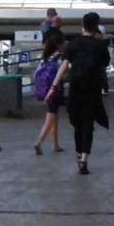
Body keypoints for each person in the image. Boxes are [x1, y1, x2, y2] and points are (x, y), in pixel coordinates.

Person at [62, 10, 111, 175]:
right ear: (96, 26)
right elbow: (105, 63)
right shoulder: (100, 45)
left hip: (76, 88)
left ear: (82, 25)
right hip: (93, 88)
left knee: (76, 123)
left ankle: (78, 153)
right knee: (88, 124)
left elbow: (64, 64)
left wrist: (54, 85)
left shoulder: (73, 44)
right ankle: (84, 158)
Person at [31, 27, 68, 155]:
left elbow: (36, 74)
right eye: (63, 43)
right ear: (59, 45)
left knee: (54, 118)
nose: (65, 44)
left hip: (47, 90)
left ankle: (56, 144)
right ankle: (38, 142)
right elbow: (65, 72)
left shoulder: (45, 58)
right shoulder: (60, 58)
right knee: (50, 118)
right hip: (55, 91)